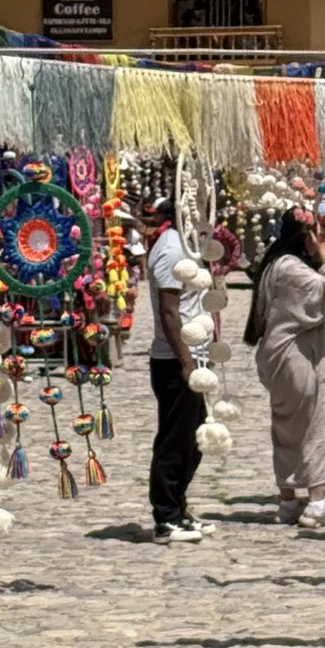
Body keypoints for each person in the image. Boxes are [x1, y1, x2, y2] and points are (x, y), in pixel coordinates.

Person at [245, 208, 325, 528]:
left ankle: (288, 502)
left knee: (286, 429)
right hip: (297, 358)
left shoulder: (274, 264)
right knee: (313, 426)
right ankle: (316, 501)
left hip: (278, 357)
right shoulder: (290, 268)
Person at [144, 196, 205, 544]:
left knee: (192, 440)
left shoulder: (188, 245)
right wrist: (186, 361)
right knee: (174, 440)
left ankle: (179, 507)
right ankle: (165, 516)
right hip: (175, 360)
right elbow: (169, 311)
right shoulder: (170, 250)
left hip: (194, 356)